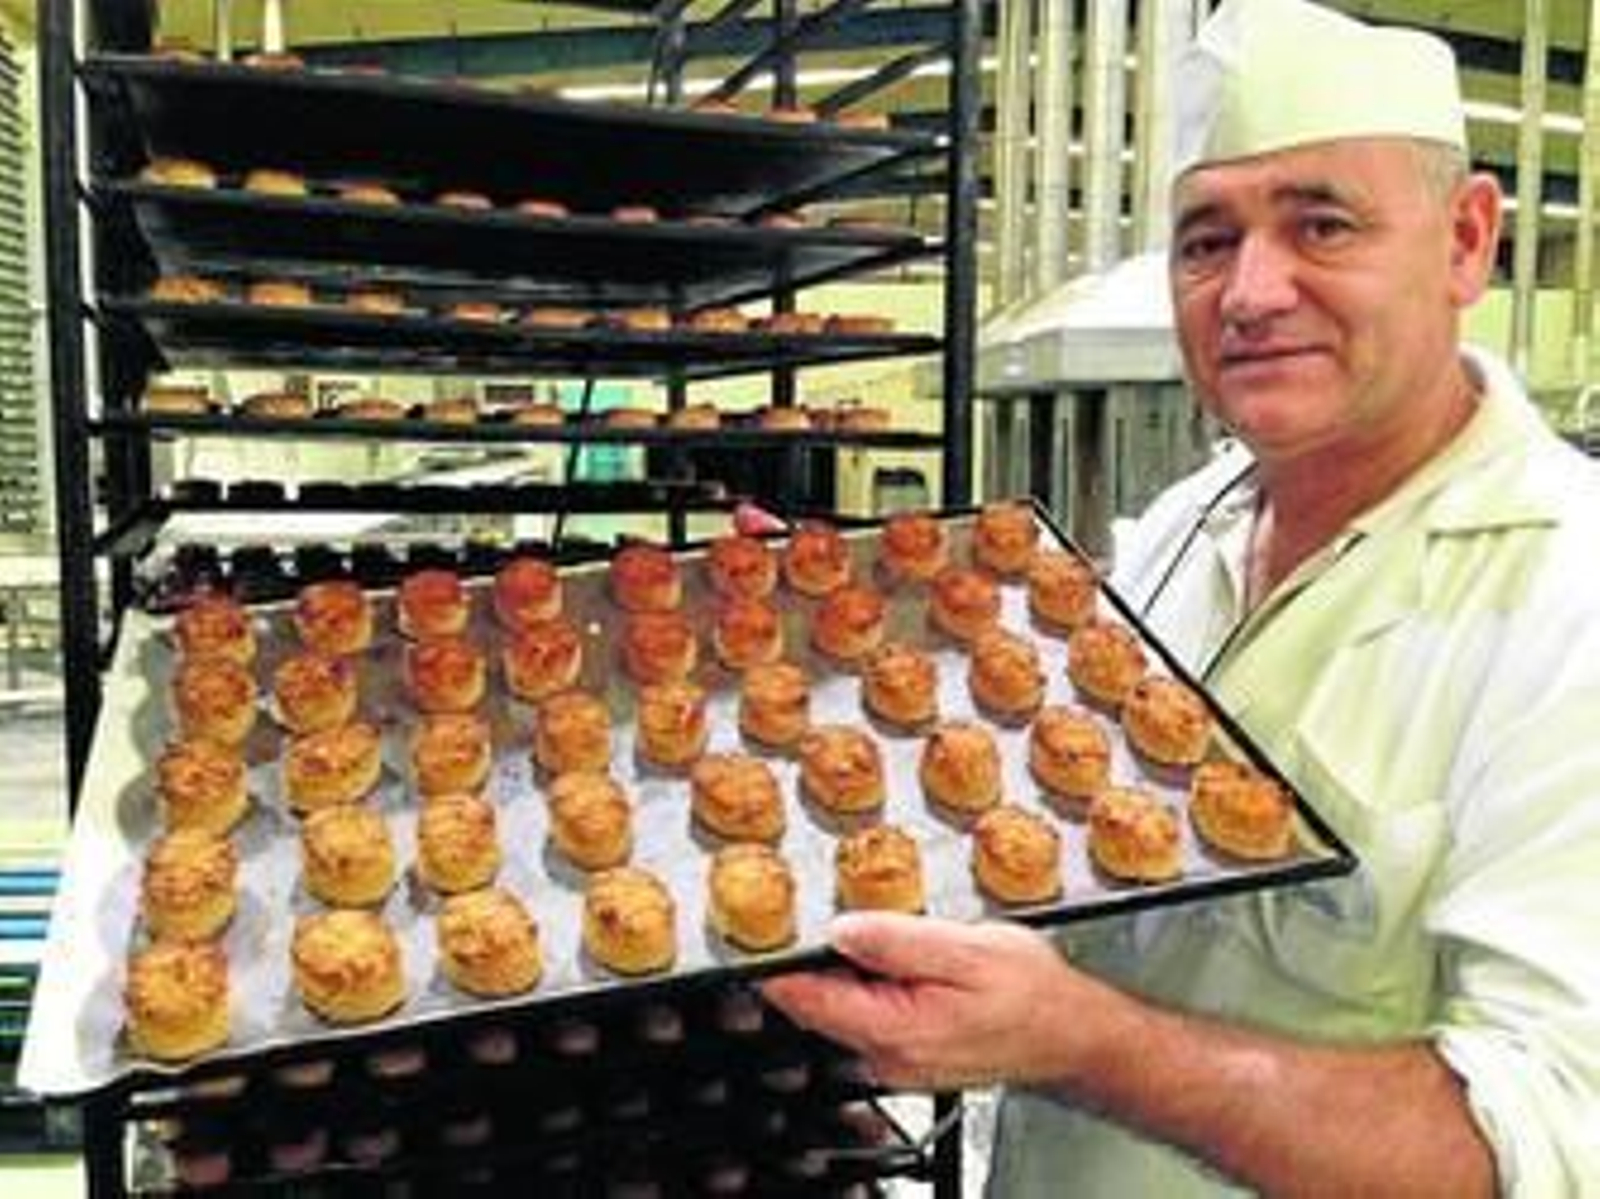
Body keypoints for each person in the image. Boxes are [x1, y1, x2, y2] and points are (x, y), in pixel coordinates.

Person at [761, 0, 1600, 1194]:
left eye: (1322, 224)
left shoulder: (1571, 593)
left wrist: (1085, 1041)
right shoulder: (1177, 530)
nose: (1251, 291)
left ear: (1467, 241)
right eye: (1207, 241)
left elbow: (1534, 1149)